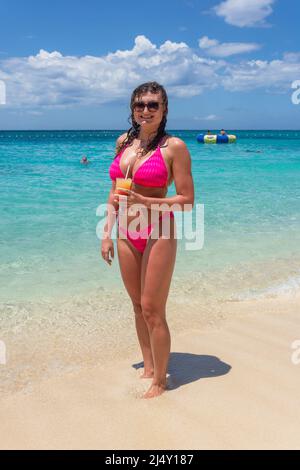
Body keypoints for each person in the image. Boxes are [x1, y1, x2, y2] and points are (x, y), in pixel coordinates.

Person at [102, 81, 194, 399]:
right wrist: (107, 234)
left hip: (158, 231)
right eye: (140, 104)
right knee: (137, 305)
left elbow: (187, 200)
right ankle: (150, 366)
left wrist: (146, 201)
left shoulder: (174, 147)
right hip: (126, 232)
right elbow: (114, 192)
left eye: (153, 104)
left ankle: (161, 382)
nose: (146, 110)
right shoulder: (122, 143)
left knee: (153, 308)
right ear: (132, 109)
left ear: (164, 109)